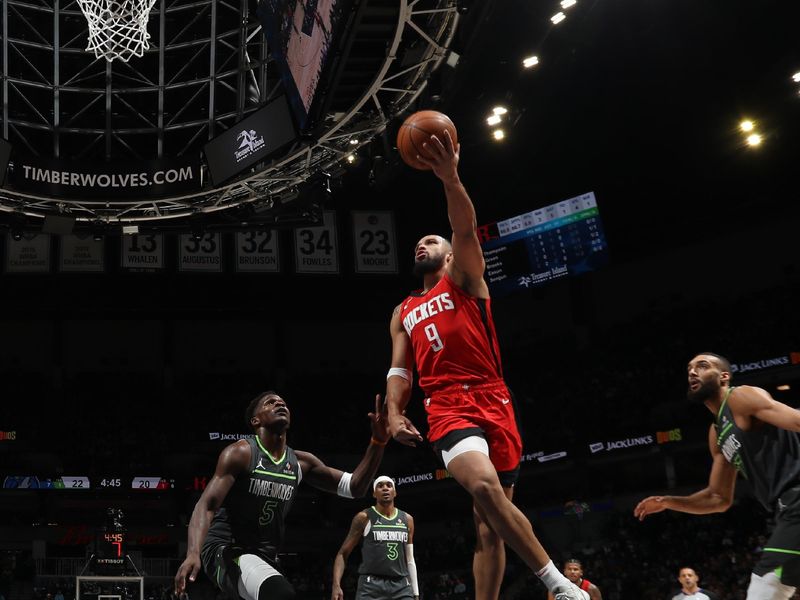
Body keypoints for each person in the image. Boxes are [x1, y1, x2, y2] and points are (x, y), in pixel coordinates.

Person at [383, 129, 587, 600]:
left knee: (490, 529)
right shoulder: (402, 311)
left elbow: (463, 228)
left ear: (451, 255)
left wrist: (451, 179)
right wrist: (395, 413)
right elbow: (400, 371)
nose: (421, 245)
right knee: (486, 489)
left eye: (430, 240)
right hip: (448, 407)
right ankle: (559, 585)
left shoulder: (464, 278)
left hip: (495, 397)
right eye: (417, 243)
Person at [174, 391, 389, 600]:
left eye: (283, 402)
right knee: (279, 592)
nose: (279, 404)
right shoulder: (240, 453)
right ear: (255, 420)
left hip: (265, 555)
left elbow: (355, 488)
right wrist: (193, 552)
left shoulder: (301, 462)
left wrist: (378, 442)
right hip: (226, 548)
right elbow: (207, 505)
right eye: (270, 402)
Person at [634, 352, 800, 600]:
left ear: (724, 376)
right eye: (689, 368)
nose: (692, 372)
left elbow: (797, 421)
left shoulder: (742, 396)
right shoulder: (717, 432)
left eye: (702, 366)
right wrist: (668, 501)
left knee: (766, 587)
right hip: (783, 508)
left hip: (797, 498)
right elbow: (718, 498)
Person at [331, 475, 418, 600]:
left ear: (395, 492)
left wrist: (415, 592)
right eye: (380, 485)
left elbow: (410, 559)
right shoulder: (364, 517)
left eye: (389, 485)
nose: (385, 488)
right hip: (371, 586)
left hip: (402, 586)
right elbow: (342, 554)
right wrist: (336, 585)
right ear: (374, 494)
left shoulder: (407, 519)